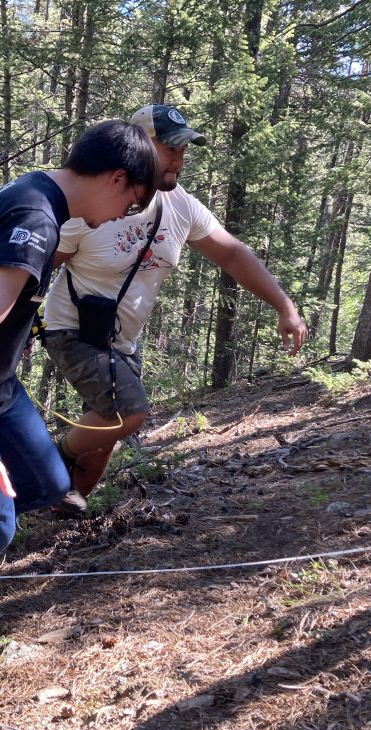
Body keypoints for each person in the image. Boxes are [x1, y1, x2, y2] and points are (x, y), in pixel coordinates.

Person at [0, 120, 158, 657]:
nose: (121, 219)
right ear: (115, 178)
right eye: (131, 204)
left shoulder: (36, 197)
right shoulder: (34, 218)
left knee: (47, 482)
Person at [43, 105, 307, 510]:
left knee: (103, 441)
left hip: (122, 341)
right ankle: (45, 461)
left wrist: (283, 305)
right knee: (128, 413)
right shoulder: (91, 204)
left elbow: (234, 255)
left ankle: (53, 518)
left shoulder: (182, 207)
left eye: (184, 150)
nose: (180, 160)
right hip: (72, 329)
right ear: (139, 147)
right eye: (170, 149)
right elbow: (41, 270)